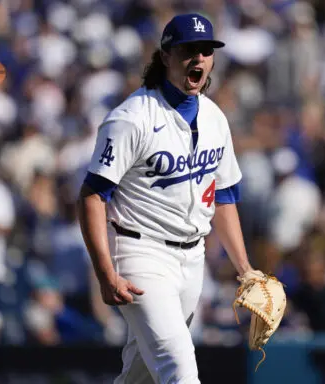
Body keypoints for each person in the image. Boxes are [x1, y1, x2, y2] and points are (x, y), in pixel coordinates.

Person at [77, 13, 256, 384]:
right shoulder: (131, 118)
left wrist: (245, 270)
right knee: (180, 367)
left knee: (143, 372)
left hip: (193, 258)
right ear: (164, 57)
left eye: (206, 50)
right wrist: (105, 273)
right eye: (188, 49)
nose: (198, 58)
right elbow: (92, 196)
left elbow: (223, 197)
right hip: (140, 254)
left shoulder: (214, 117)